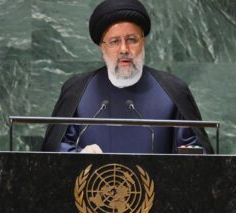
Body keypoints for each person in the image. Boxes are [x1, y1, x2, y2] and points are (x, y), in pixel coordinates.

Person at [41, 0, 213, 154]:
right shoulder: (76, 90)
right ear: (102, 47)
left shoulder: (174, 91)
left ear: (143, 42)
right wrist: (79, 156)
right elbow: (55, 151)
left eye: (131, 40)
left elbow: (195, 158)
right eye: (115, 41)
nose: (124, 49)